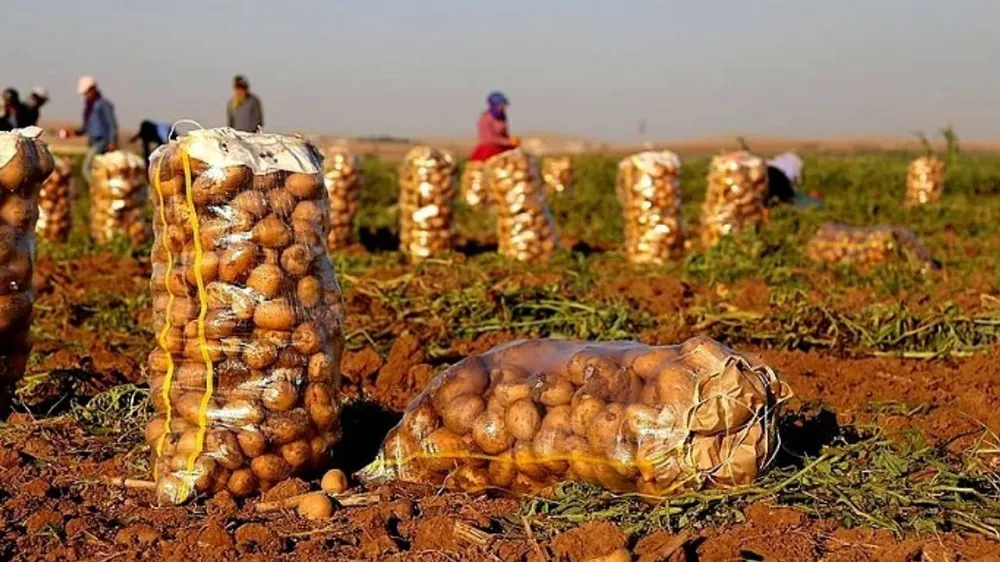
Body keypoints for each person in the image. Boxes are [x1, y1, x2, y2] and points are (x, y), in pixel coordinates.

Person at [59, 76, 119, 183]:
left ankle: (97, 188)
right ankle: (101, 188)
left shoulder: (103, 104)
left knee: (87, 167)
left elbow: (112, 124)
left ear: (93, 89)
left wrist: (112, 141)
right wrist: (74, 132)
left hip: (102, 142)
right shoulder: (90, 107)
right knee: (99, 169)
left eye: (86, 93)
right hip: (93, 142)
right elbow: (86, 128)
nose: (85, 96)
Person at [468, 91, 518, 162]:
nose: (504, 107)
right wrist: (507, 142)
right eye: (502, 105)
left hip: (502, 147)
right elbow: (489, 139)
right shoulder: (485, 118)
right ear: (495, 105)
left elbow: (505, 135)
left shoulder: (502, 117)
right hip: (488, 149)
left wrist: (512, 141)